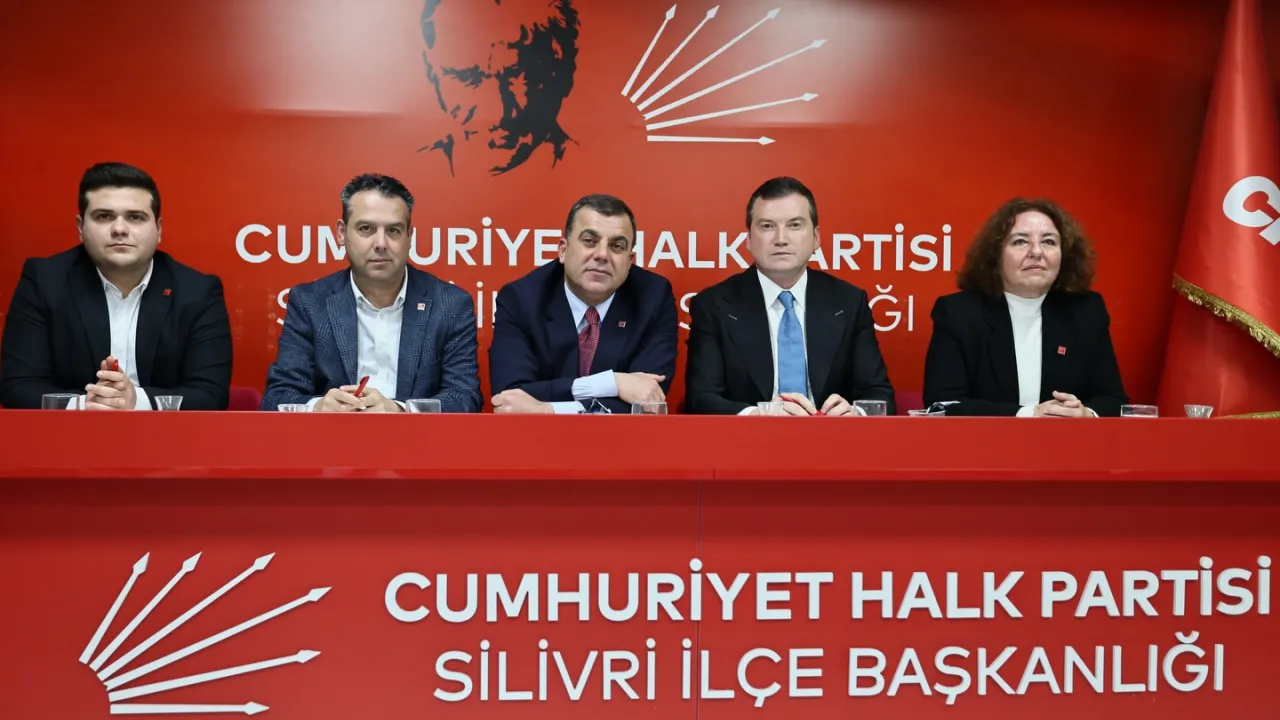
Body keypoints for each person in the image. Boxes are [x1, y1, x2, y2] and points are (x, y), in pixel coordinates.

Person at [0, 162, 232, 410]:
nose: (119, 229)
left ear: (158, 229)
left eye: (135, 217)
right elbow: (17, 388)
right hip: (67, 432)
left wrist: (135, 401)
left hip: (165, 433)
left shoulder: (197, 292)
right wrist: (87, 404)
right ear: (80, 228)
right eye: (104, 217)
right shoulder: (45, 282)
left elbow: (211, 395)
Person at [260, 173, 482, 412]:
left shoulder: (451, 304)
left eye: (393, 230)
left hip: (417, 436)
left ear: (409, 236)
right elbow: (278, 398)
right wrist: (318, 407)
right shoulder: (310, 303)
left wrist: (400, 411)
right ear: (341, 233)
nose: (381, 243)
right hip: (332, 435)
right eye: (366, 228)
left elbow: (464, 398)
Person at [684, 177, 895, 416]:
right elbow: (701, 398)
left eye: (794, 225)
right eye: (767, 226)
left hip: (832, 436)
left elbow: (879, 396)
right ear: (749, 240)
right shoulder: (713, 305)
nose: (781, 239)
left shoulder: (849, 302)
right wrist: (760, 415)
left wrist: (856, 414)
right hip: (749, 436)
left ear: (816, 238)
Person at [922, 197, 1128, 417]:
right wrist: (1028, 414)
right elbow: (942, 405)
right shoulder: (959, 313)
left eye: (1049, 242)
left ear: (1064, 255)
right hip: (985, 439)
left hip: (1069, 439)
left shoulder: (1086, 311)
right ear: (995, 255)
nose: (1036, 252)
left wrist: (1086, 414)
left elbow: (1113, 399)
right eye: (1020, 241)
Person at [489, 194, 677, 414]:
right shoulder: (522, 299)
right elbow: (508, 399)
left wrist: (548, 409)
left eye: (617, 246)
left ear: (629, 261)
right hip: (537, 436)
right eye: (589, 241)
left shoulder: (653, 297)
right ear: (563, 250)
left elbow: (648, 402)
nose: (602, 255)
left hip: (623, 436)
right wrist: (612, 383)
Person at [419, 0, 579, 177]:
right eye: (467, 77)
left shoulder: (588, 174)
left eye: (516, 74)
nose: (498, 115)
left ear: (564, 75)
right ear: (432, 72)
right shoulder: (414, 173)